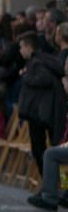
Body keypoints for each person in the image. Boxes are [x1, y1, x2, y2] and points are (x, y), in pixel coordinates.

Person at [18, 33, 66, 175]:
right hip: (45, 111)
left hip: (40, 112)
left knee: (43, 150)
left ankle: (52, 187)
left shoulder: (37, 62)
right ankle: (51, 187)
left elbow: (43, 79)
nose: (20, 51)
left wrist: (25, 76)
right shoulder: (43, 60)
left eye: (21, 47)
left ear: (28, 47)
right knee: (52, 149)